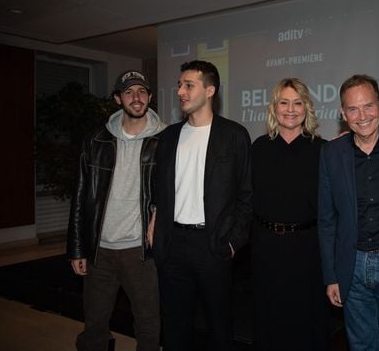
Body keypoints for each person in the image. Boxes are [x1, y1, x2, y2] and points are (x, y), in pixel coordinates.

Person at [150, 60, 252, 351]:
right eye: (180, 85)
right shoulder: (169, 136)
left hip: (213, 244)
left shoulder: (233, 135)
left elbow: (247, 194)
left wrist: (233, 242)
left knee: (219, 325)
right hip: (172, 244)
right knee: (174, 324)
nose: (180, 91)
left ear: (210, 90)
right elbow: (161, 189)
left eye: (188, 85)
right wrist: (155, 220)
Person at [67, 70, 164, 351]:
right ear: (118, 98)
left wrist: (158, 216)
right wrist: (77, 249)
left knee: (148, 324)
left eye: (142, 92)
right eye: (130, 92)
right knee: (94, 325)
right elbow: (81, 195)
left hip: (141, 252)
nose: (137, 97)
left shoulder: (165, 139)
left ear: (150, 98)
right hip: (100, 250)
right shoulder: (96, 140)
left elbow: (173, 190)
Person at [317, 74, 379, 351]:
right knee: (361, 346)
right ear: (342, 113)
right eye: (353, 109)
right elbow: (326, 220)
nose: (362, 116)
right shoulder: (331, 153)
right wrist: (331, 276)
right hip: (352, 267)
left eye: (368, 106)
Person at [251, 78, 329, 351]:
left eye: (298, 103)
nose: (291, 109)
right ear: (275, 108)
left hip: (307, 250)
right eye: (284, 103)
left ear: (307, 108)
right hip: (265, 248)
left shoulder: (323, 150)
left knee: (305, 322)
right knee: (268, 319)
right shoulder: (258, 148)